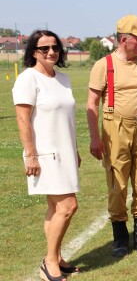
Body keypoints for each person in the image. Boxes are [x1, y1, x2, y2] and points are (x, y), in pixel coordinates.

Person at [86, 15, 137, 257]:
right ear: (124, 40)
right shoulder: (104, 65)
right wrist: (94, 137)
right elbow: (92, 103)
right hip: (115, 130)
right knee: (117, 183)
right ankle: (120, 235)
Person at [13, 30, 80, 281]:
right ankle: (49, 261)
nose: (51, 52)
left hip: (65, 152)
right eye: (44, 49)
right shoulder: (28, 79)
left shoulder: (63, 79)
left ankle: (57, 257)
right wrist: (30, 155)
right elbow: (23, 119)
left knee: (55, 208)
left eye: (55, 47)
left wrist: (74, 151)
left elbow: (67, 119)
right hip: (44, 154)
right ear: (33, 53)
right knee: (68, 205)